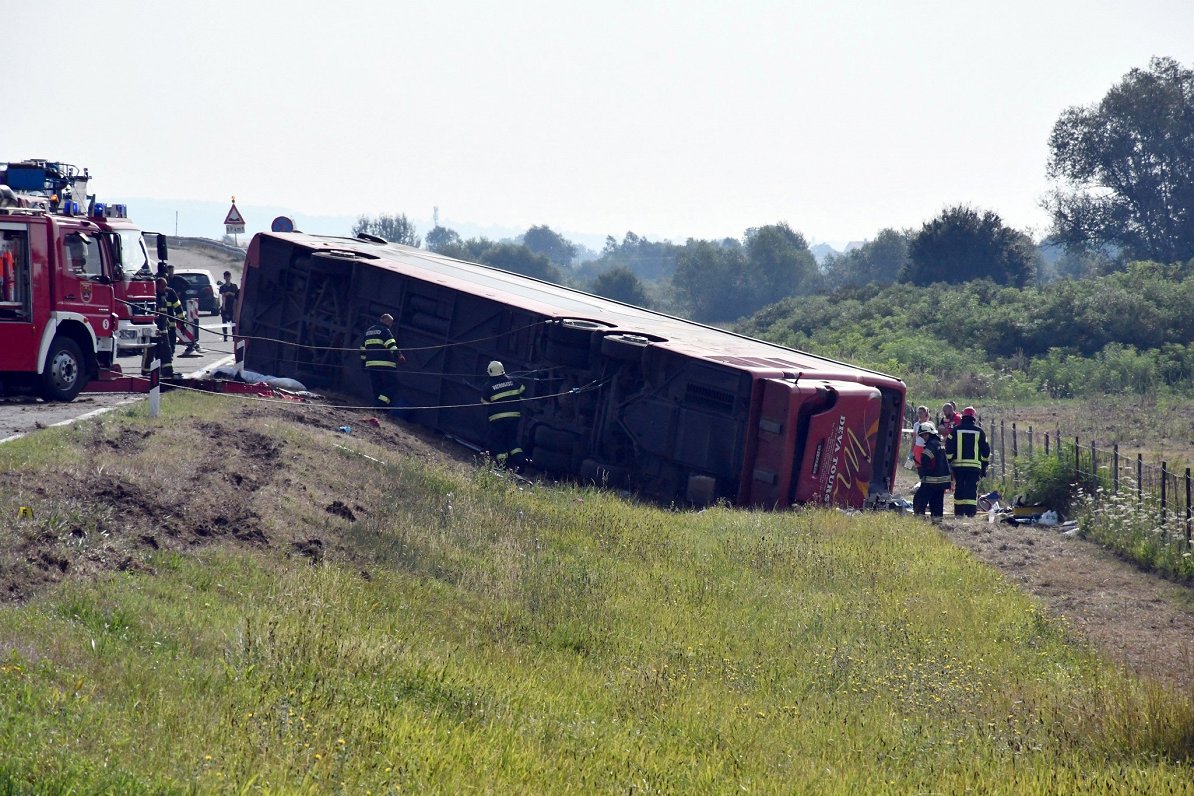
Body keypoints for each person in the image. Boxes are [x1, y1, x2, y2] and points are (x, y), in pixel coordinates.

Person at [481, 360, 527, 470]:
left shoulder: (488, 386)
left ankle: (503, 465)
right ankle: (521, 461)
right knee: (511, 440)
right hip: (514, 417)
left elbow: (484, 402)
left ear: (490, 372)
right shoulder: (512, 380)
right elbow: (523, 390)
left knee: (497, 441)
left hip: (497, 419)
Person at [946, 406, 990, 517]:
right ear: (973, 418)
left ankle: (959, 513)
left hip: (958, 467)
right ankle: (970, 513)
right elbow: (986, 451)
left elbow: (949, 447)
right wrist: (984, 466)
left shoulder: (955, 430)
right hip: (974, 468)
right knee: (971, 489)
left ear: (963, 417)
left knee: (959, 488)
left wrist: (949, 461)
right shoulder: (980, 431)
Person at [359, 313, 405, 411]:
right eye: (390, 322)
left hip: (371, 365)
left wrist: (363, 364)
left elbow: (362, 349)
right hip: (385, 364)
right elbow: (391, 345)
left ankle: (379, 409)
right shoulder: (385, 330)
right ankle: (380, 405)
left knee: (377, 386)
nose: (391, 325)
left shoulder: (369, 331)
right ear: (386, 321)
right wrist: (399, 355)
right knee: (392, 386)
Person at [913, 422, 951, 522]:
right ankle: (937, 522)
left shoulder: (931, 445)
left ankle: (918, 520)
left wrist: (922, 470)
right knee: (937, 503)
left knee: (920, 499)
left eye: (924, 435)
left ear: (929, 434)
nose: (923, 438)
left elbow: (926, 458)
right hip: (942, 481)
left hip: (931, 480)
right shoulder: (940, 443)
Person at [167, 266, 202, 355]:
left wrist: (181, 291)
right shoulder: (166, 279)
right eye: (169, 270)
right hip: (168, 303)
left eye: (171, 270)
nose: (170, 272)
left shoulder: (178, 279)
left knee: (180, 314)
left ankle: (189, 340)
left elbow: (188, 285)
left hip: (179, 300)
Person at [218, 270, 239, 341]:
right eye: (226, 276)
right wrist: (223, 306)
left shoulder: (234, 286)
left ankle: (234, 336)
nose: (227, 278)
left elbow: (237, 295)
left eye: (228, 276)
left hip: (233, 307)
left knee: (234, 323)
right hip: (226, 307)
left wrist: (229, 293)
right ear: (224, 277)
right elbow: (223, 296)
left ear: (230, 277)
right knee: (224, 323)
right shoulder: (222, 287)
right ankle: (225, 336)